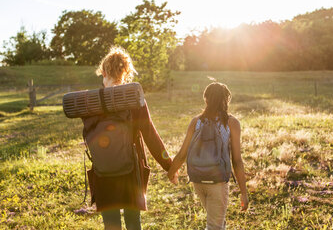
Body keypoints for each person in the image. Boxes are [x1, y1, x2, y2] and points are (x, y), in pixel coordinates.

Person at [82, 47, 175, 230]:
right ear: (126, 72)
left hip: (102, 172)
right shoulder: (132, 97)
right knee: (133, 223)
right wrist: (169, 165)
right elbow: (150, 134)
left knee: (111, 225)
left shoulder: (91, 101)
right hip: (130, 171)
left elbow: (88, 136)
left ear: (104, 72)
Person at [167, 82, 248, 230]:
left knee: (217, 222)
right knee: (214, 226)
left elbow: (181, 154)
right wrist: (244, 192)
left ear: (206, 99)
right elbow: (237, 161)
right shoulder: (231, 123)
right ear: (226, 100)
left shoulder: (196, 122)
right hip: (217, 183)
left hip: (198, 180)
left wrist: (171, 173)